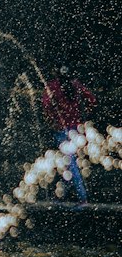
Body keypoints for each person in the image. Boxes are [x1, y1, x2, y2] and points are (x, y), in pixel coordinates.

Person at [41, 65, 96, 204]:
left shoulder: (53, 86)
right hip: (75, 128)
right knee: (70, 162)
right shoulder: (75, 85)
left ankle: (81, 197)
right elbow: (92, 99)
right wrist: (84, 113)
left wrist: (52, 119)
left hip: (61, 129)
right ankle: (64, 195)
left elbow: (46, 105)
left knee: (67, 163)